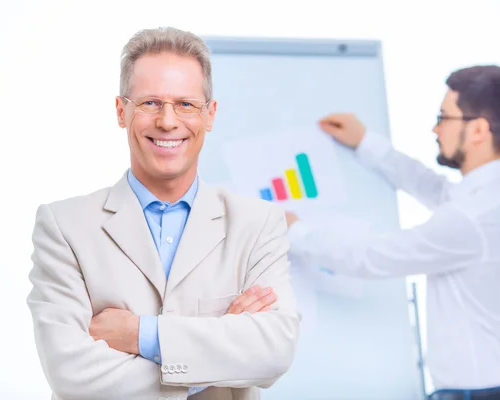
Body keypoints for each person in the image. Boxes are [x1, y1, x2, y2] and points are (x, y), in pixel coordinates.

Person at [26, 27, 300, 400]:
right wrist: (217, 353)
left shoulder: (257, 224)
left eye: (186, 104)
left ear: (210, 115)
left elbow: (273, 350)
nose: (168, 121)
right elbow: (70, 372)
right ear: (122, 112)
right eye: (150, 103)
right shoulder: (65, 226)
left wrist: (142, 335)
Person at [285, 65, 500, 399]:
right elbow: (433, 188)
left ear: (478, 130)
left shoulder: (473, 219)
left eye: (444, 117)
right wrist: (366, 143)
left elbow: (370, 257)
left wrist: (295, 231)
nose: (436, 128)